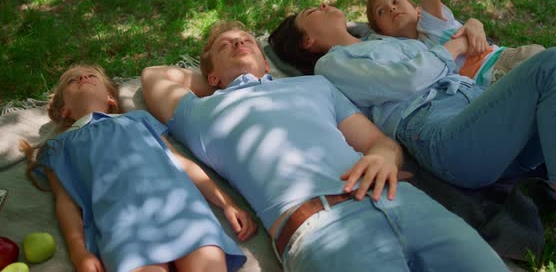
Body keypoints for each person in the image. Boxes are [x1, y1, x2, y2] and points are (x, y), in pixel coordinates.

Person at [140, 20, 508, 271]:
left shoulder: (315, 86)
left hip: (402, 199)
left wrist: (382, 156)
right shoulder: (201, 113)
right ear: (210, 75)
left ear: (265, 58)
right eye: (226, 45)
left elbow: (377, 142)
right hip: (321, 228)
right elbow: (154, 76)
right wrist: (221, 82)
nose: (238, 42)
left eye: (247, 40)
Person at [269, 3, 556, 267]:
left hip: (486, 116)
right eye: (311, 12)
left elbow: (440, 55)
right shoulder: (332, 64)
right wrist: (453, 48)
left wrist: (466, 34)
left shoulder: (384, 41)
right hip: (442, 132)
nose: (324, 4)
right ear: (307, 41)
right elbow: (408, 80)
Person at [21, 64, 256, 272]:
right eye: (72, 81)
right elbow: (65, 203)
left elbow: (181, 162)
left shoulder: (136, 120)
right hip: (123, 227)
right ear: (66, 111)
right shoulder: (58, 147)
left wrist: (226, 203)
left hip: (183, 210)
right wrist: (79, 252)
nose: (83, 79)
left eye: (91, 76)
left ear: (111, 99)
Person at [340, 0, 546, 87]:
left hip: (503, 62)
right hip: (486, 90)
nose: (392, 8)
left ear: (417, 9)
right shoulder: (401, 50)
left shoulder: (432, 23)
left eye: (396, 1)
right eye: (381, 11)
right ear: (382, 31)